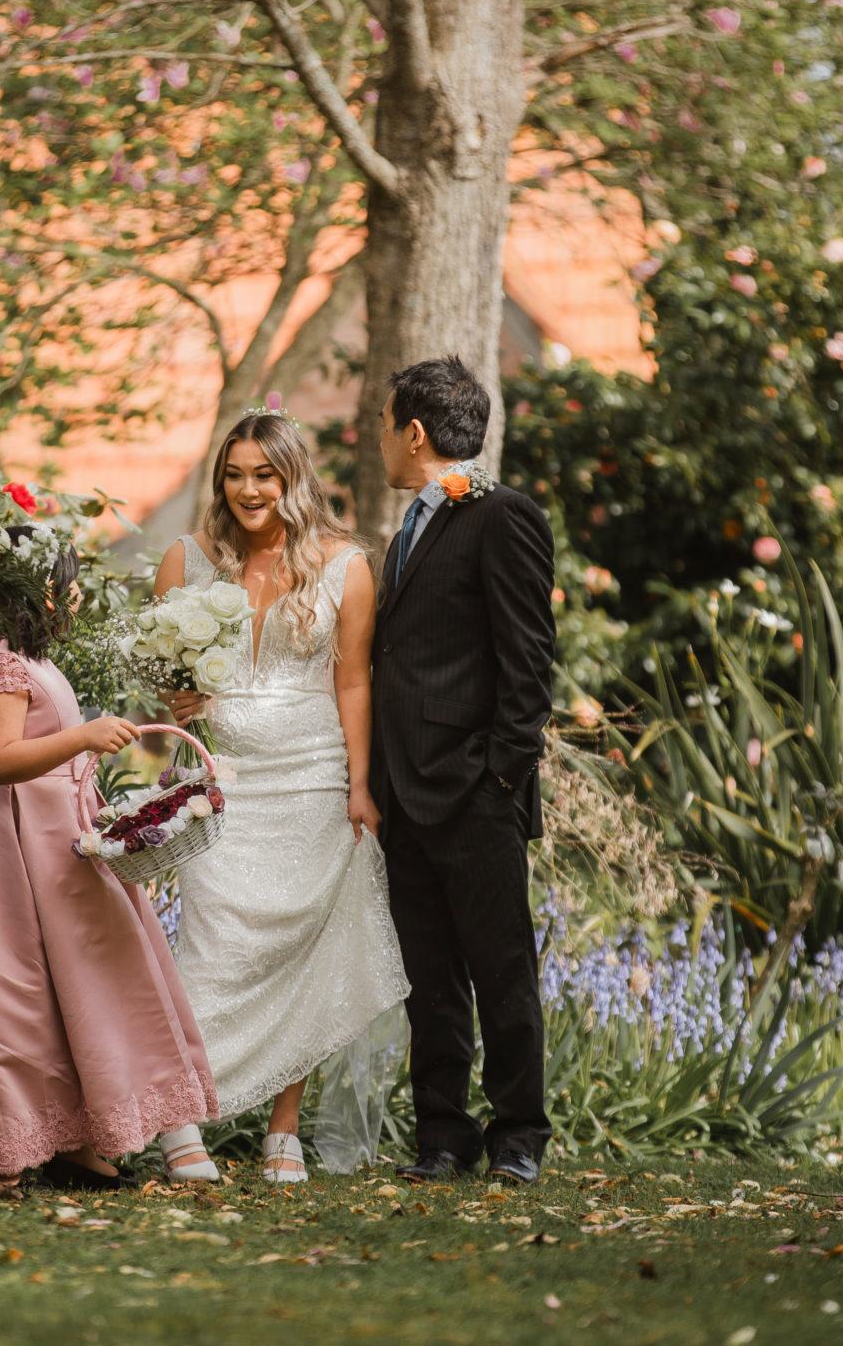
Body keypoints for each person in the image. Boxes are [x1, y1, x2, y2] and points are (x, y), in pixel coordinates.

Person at [0, 531, 219, 1194]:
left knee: (72, 989)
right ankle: (11, 1142)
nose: (74, 593)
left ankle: (77, 1141)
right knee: (15, 989)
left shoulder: (31, 659)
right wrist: (83, 735)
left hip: (56, 837)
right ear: (37, 586)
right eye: (66, 578)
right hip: (7, 846)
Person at [155, 410, 409, 1183]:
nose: (247, 489)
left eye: (264, 474)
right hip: (221, 784)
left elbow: (354, 678)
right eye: (234, 474)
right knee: (209, 949)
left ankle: (283, 1129)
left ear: (295, 477)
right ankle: (178, 1120)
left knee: (302, 951)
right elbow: (166, 679)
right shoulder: (185, 560)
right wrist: (176, 703)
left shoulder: (346, 565)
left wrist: (360, 784)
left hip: (311, 777)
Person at [369, 356, 556, 1187]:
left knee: (501, 969)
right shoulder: (404, 530)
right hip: (405, 793)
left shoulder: (503, 516)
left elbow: (530, 665)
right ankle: (444, 1138)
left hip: (478, 794)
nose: (380, 439)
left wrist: (502, 781)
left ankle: (518, 1136)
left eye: (384, 423)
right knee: (429, 981)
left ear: (413, 432)